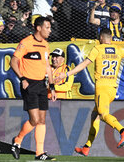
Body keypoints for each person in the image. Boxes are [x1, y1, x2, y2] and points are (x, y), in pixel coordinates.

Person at [56, 28, 124, 156]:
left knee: (103, 114)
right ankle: (87, 146)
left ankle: (122, 131)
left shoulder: (97, 49)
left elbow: (83, 65)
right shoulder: (119, 50)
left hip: (102, 88)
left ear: (102, 38)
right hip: (112, 89)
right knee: (95, 115)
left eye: (99, 37)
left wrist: (67, 74)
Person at [10, 16, 56, 160]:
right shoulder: (26, 43)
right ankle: (17, 140)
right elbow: (13, 61)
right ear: (38, 28)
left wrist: (52, 86)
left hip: (42, 84)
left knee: (42, 120)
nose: (50, 30)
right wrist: (22, 78)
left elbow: (47, 66)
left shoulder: (46, 45)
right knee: (34, 120)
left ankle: (39, 153)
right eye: (47, 27)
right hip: (29, 83)